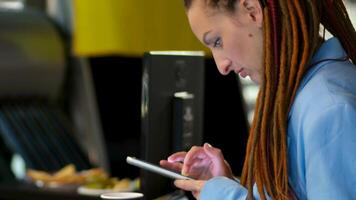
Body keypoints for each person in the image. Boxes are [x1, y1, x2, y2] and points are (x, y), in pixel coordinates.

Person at [160, 0, 356, 199]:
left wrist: (226, 196)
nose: (221, 67)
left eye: (217, 41)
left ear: (251, 11)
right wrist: (230, 185)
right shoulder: (305, 97)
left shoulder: (331, 110)